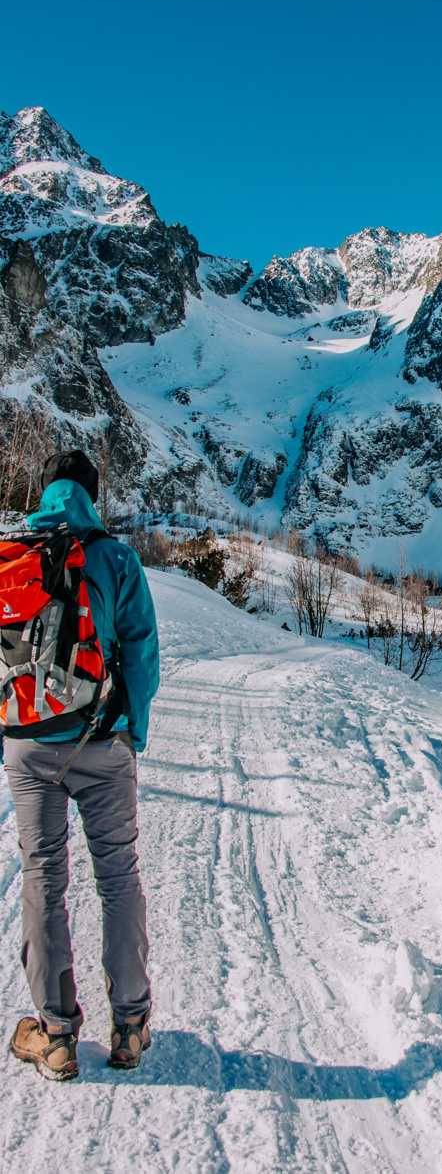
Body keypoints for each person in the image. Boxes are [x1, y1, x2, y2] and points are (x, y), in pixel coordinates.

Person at [3, 450, 160, 1081]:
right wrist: (132, 735)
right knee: (117, 877)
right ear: (94, 494)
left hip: (27, 744)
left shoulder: (12, 553)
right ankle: (129, 1026)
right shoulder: (115, 557)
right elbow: (142, 654)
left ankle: (57, 1032)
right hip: (99, 743)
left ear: (44, 493)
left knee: (43, 879)